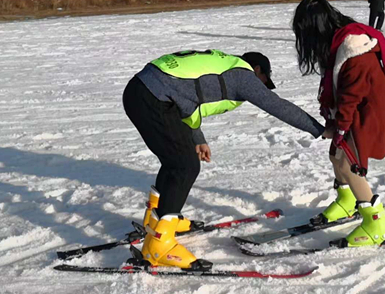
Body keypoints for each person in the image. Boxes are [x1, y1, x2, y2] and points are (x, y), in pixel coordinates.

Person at [123, 50, 325, 269]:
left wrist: (197, 138)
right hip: (151, 99)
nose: (262, 87)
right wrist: (320, 129)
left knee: (176, 161)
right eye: (265, 80)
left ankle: (157, 219)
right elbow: (277, 106)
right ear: (257, 70)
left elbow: (186, 102)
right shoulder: (243, 76)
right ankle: (159, 245)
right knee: (184, 166)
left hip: (145, 91)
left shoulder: (220, 64)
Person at [292, 0, 385, 248]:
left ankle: (376, 223)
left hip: (366, 112)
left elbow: (351, 96)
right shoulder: (338, 41)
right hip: (354, 108)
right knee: (336, 155)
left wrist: (340, 127)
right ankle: (347, 200)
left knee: (350, 163)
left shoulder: (354, 51)